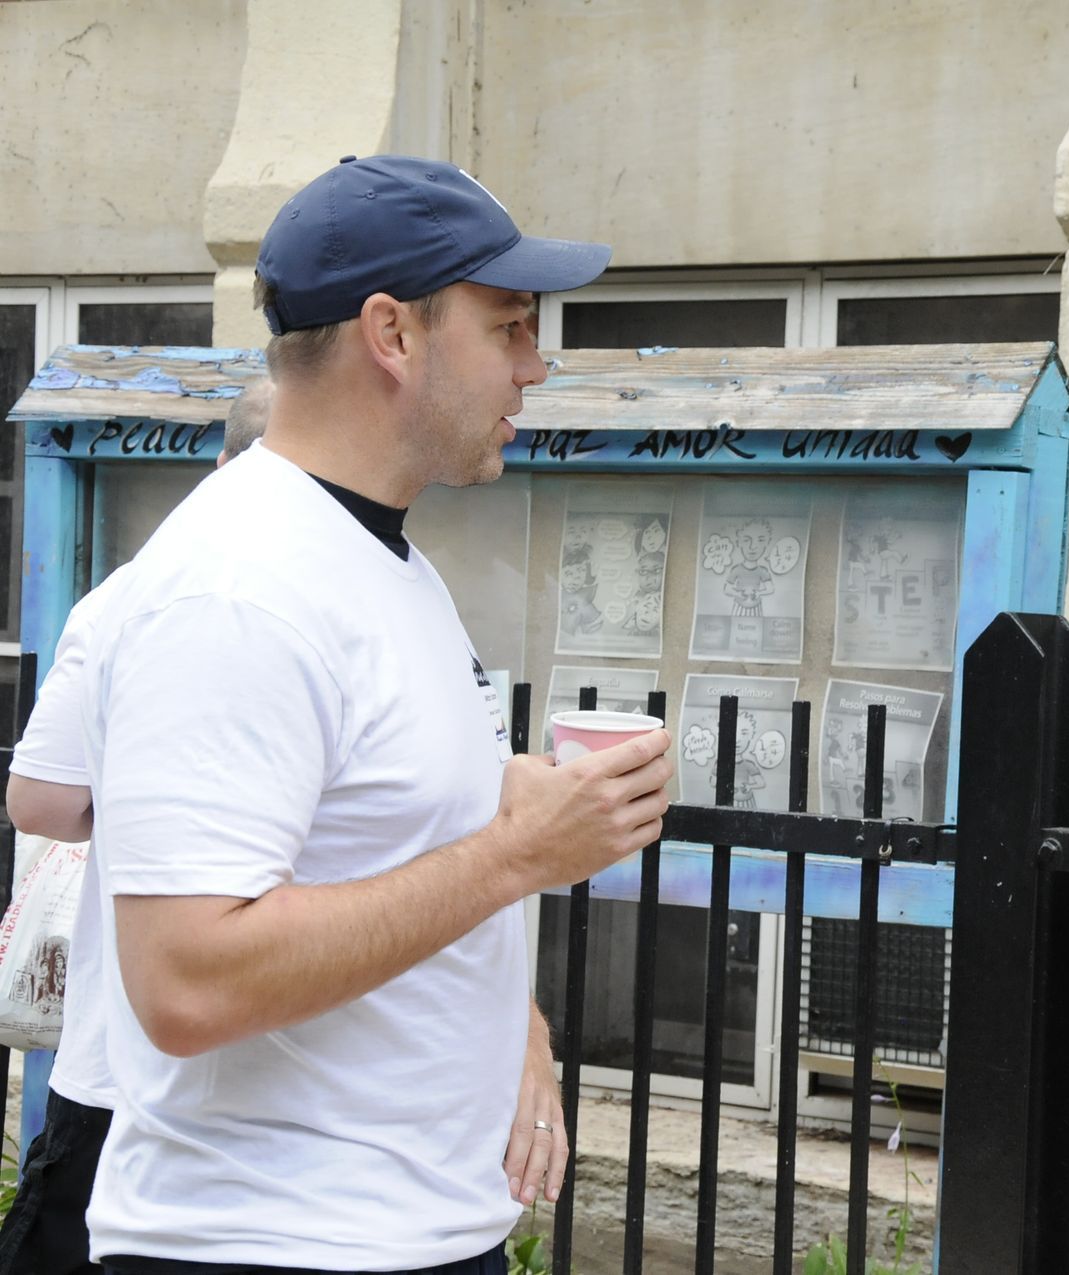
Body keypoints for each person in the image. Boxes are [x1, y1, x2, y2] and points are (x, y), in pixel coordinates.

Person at [68, 154, 673, 1275]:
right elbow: (187, 982)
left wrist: (517, 1020)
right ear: (391, 335)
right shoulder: (238, 591)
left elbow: (388, 832)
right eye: (510, 328)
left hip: (402, 1235)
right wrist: (515, 854)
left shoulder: (379, 561)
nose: (536, 369)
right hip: (266, 1248)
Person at [0, 374, 280, 1275]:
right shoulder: (366, 600)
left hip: (120, 1069)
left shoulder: (132, 594)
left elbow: (39, 799)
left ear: (222, 461)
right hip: (280, 1094)